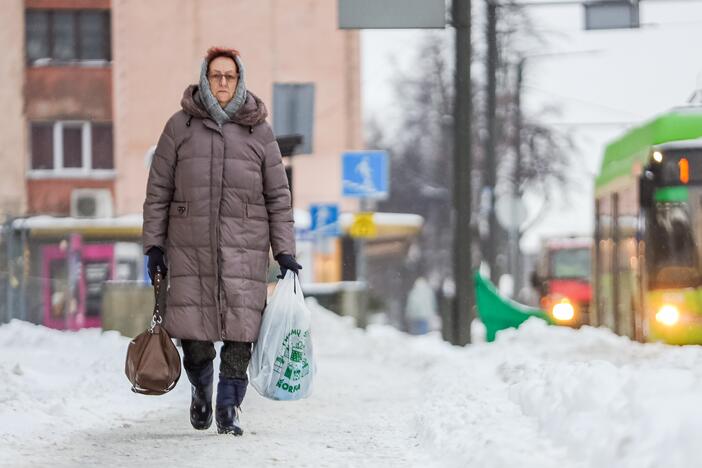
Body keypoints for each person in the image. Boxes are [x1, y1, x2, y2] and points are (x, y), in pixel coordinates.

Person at [142, 47, 300, 436]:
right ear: (205, 78)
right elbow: (158, 190)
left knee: (241, 329)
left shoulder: (259, 131)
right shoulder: (179, 127)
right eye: (217, 76)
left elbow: (279, 197)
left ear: (240, 80)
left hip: (245, 248)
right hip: (189, 246)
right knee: (193, 331)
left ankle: (229, 407)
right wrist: (155, 245)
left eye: (230, 76)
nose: (223, 82)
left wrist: (284, 250)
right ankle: (201, 387)